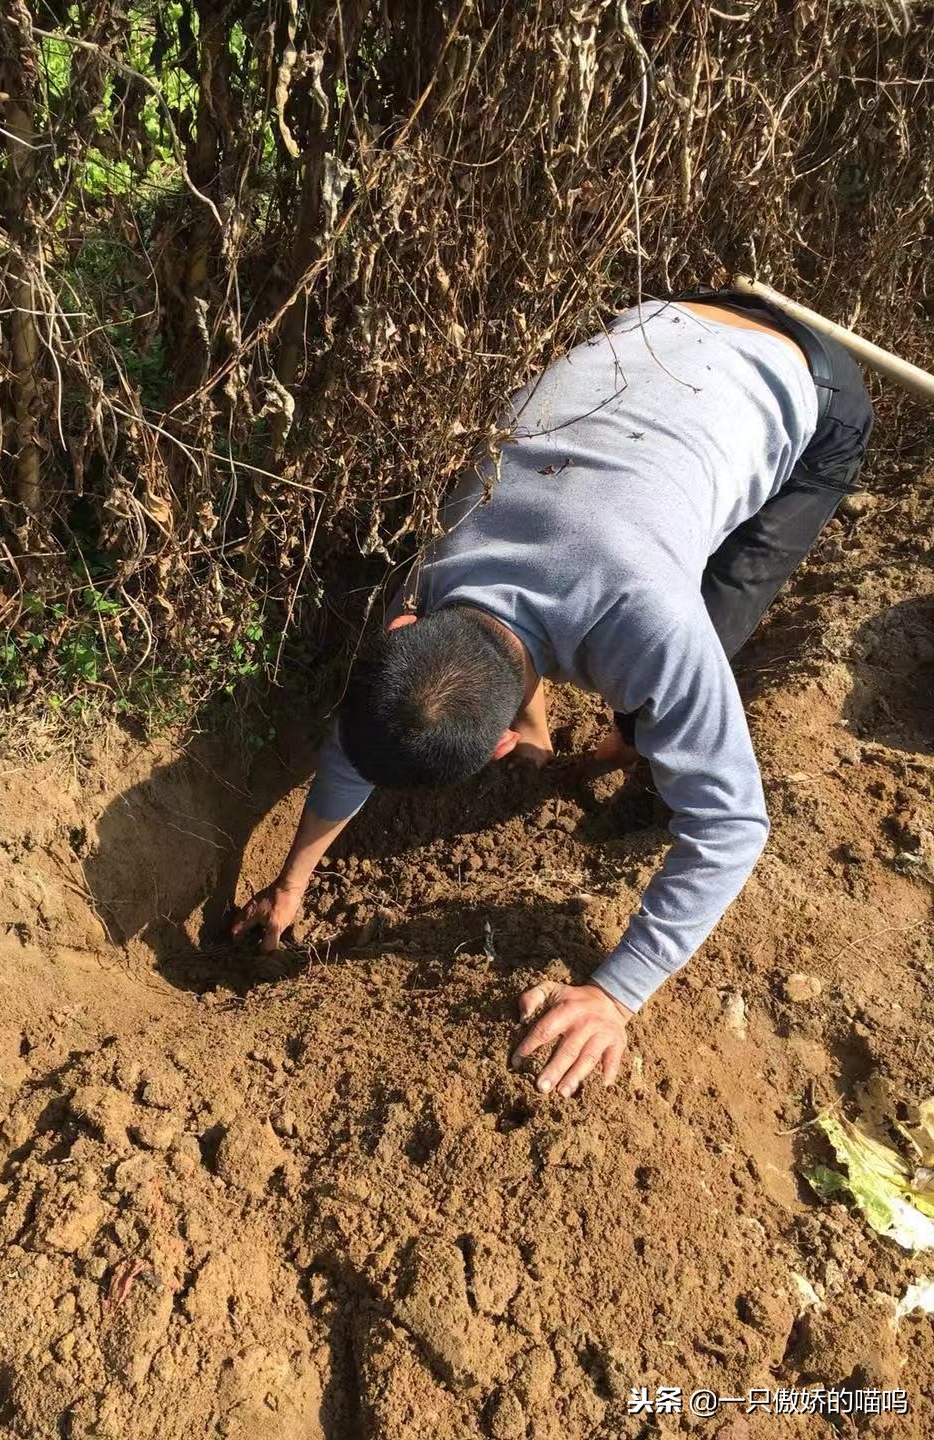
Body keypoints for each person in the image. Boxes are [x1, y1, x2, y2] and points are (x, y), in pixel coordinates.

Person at [232, 290, 873, 1099]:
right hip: (672, 320)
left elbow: (734, 825)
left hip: (807, 389)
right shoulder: (448, 541)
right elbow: (361, 737)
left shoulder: (656, 622)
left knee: (723, 617)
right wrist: (291, 881)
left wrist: (616, 992)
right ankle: (610, 732)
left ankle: (636, 743)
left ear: (401, 629)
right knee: (651, 653)